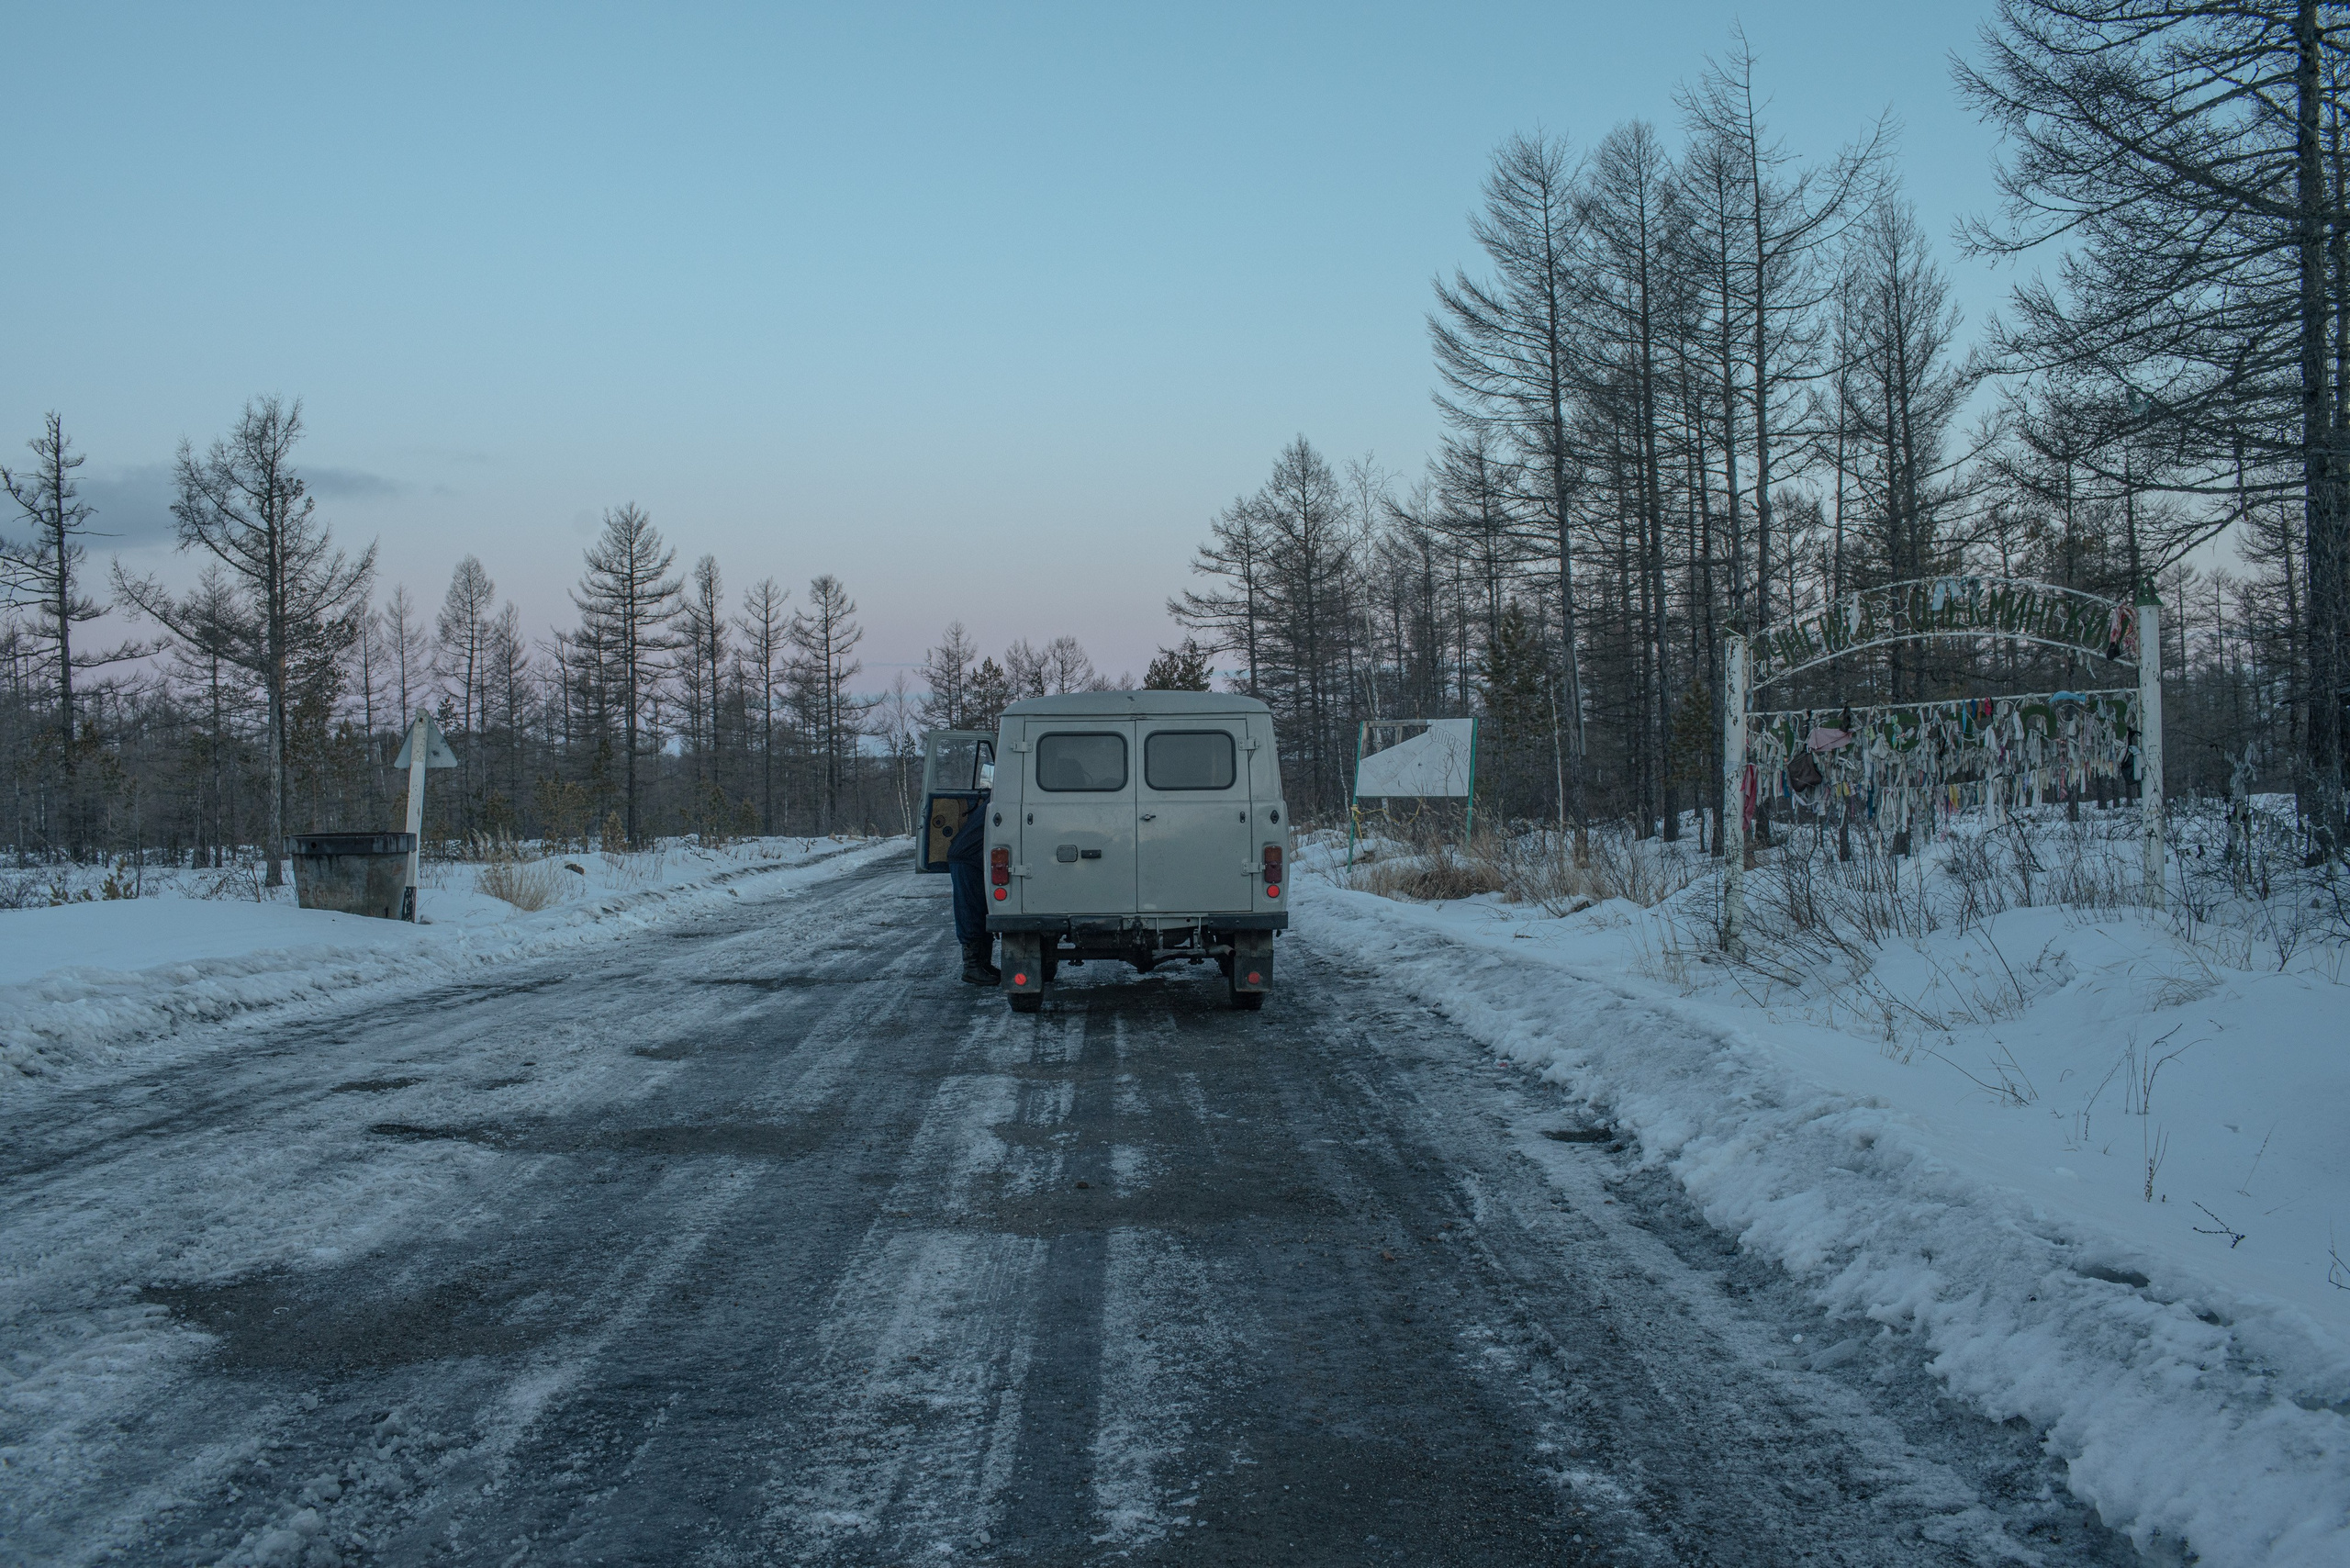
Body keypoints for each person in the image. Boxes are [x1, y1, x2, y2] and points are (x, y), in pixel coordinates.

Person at [946, 770, 1000, 984]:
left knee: (981, 909)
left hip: (972, 856)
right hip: (967, 857)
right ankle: (972, 967)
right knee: (971, 911)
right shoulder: (1001, 799)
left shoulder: (997, 796)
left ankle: (983, 964)